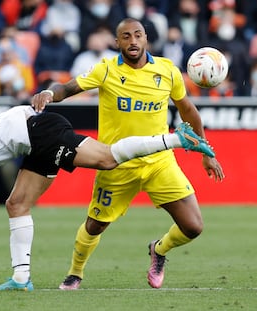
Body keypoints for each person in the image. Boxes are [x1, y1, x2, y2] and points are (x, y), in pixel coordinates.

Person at [0, 104, 215, 292]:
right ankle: (21, 279)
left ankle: (175, 139)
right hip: (31, 137)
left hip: (38, 132)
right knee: (16, 204)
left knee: (107, 159)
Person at [31, 18, 225, 290]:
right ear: (117, 42)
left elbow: (188, 110)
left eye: (137, 35)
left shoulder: (167, 70)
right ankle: (75, 273)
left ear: (146, 38)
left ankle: (159, 250)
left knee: (193, 227)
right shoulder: (106, 69)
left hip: (159, 162)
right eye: (126, 36)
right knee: (94, 225)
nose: (132, 41)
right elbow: (70, 87)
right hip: (116, 163)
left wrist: (206, 151)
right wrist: (50, 92)